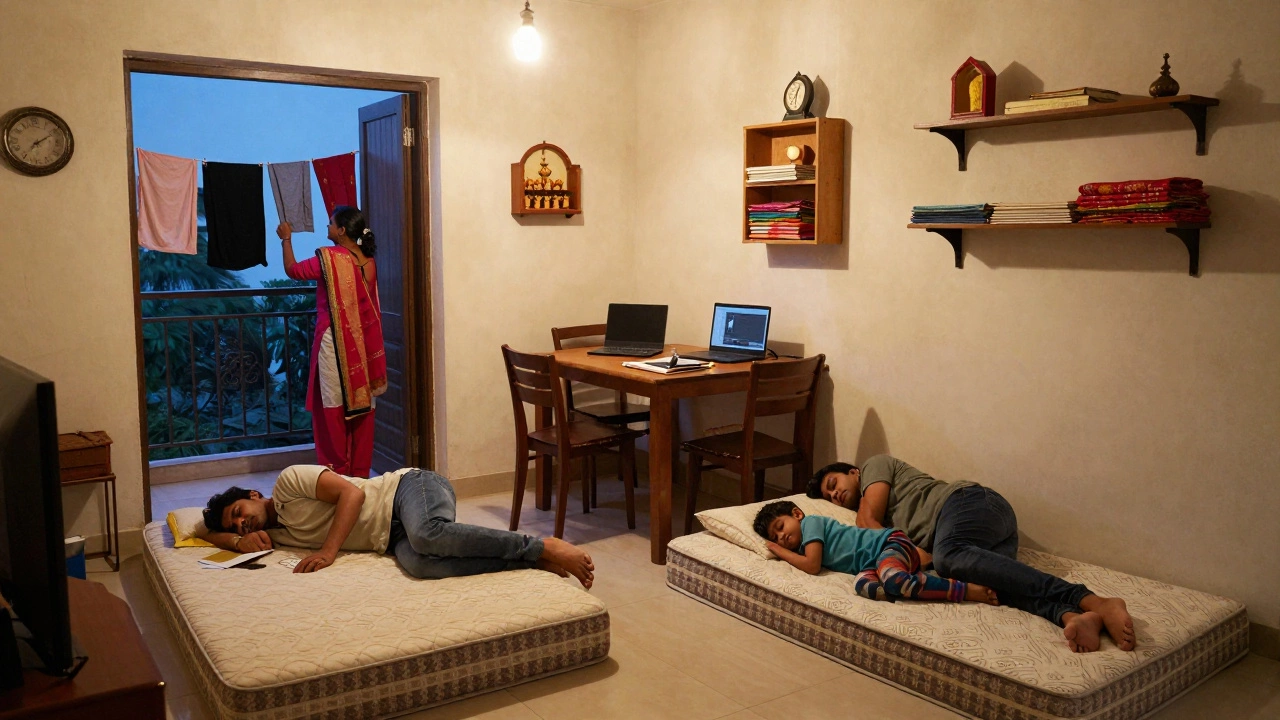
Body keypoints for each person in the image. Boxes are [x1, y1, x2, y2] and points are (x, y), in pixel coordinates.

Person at [809, 455, 1135, 653]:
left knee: (948, 557)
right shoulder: (868, 510)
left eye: (834, 483)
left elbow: (868, 522)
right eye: (829, 497)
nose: (835, 495)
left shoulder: (874, 465)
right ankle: (1071, 616)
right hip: (981, 533)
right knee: (988, 586)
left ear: (854, 471)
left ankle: (1092, 600)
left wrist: (914, 553)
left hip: (969, 503)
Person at [198, 465, 595, 587]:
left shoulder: (288, 482)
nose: (242, 521)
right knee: (421, 564)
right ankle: (531, 562)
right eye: (236, 523)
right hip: (391, 537)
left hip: (407, 489)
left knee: (428, 534)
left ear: (253, 494)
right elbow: (196, 531)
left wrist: (328, 551)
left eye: (239, 510)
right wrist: (235, 541)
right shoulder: (275, 535)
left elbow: (352, 495)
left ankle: (540, 545)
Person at [279, 206, 384, 478]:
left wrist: (286, 238)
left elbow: (293, 270)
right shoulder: (368, 261)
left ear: (341, 230)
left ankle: (337, 473)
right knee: (362, 409)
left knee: (333, 407)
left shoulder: (330, 259)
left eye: (331, 223)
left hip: (334, 342)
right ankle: (359, 476)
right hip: (363, 344)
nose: (327, 227)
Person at [753, 500, 998, 605]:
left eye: (780, 527)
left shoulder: (810, 524)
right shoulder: (801, 544)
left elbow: (812, 565)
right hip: (872, 564)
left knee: (893, 579)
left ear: (797, 514)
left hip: (889, 544)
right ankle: (916, 582)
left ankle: (962, 590)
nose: (781, 537)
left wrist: (778, 550)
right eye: (775, 538)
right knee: (864, 586)